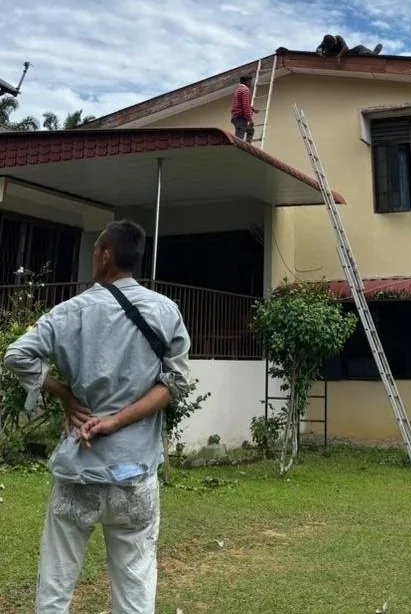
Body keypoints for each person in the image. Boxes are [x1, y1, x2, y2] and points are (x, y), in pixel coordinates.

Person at [4, 219, 191, 613]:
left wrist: (62, 393)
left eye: (95, 251)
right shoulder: (165, 311)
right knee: (135, 585)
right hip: (134, 477)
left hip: (79, 471)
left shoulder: (69, 312)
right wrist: (118, 421)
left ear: (106, 254)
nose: (93, 257)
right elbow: (175, 383)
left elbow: (15, 356)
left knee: (56, 584)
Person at [231, 74, 255, 143]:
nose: (251, 83)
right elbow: (245, 106)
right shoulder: (245, 90)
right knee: (239, 138)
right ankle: (241, 149)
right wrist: (250, 119)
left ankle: (246, 146)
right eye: (250, 82)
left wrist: (252, 109)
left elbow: (241, 103)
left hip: (236, 117)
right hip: (240, 117)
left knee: (250, 130)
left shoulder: (238, 90)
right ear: (247, 82)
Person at [316, 34, 383, 58]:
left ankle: (372, 54)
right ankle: (367, 54)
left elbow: (346, 48)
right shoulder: (325, 42)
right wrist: (320, 53)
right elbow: (318, 49)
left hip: (345, 54)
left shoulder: (338, 37)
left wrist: (339, 56)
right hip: (332, 55)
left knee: (360, 47)